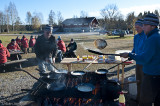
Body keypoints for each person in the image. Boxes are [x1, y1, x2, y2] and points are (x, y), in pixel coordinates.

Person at [120, 13, 160, 106]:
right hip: (156, 74)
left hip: (152, 75)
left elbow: (144, 58)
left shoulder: (153, 38)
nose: (143, 27)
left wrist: (130, 55)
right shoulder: (156, 36)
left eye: (145, 25)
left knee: (145, 102)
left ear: (153, 25)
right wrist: (131, 55)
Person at [131, 19, 147, 102]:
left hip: (145, 64)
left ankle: (144, 100)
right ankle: (138, 98)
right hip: (137, 63)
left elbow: (145, 52)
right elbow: (135, 48)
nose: (136, 29)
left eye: (138, 27)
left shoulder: (147, 36)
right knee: (138, 81)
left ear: (143, 27)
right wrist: (131, 54)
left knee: (145, 83)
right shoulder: (136, 37)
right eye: (135, 28)